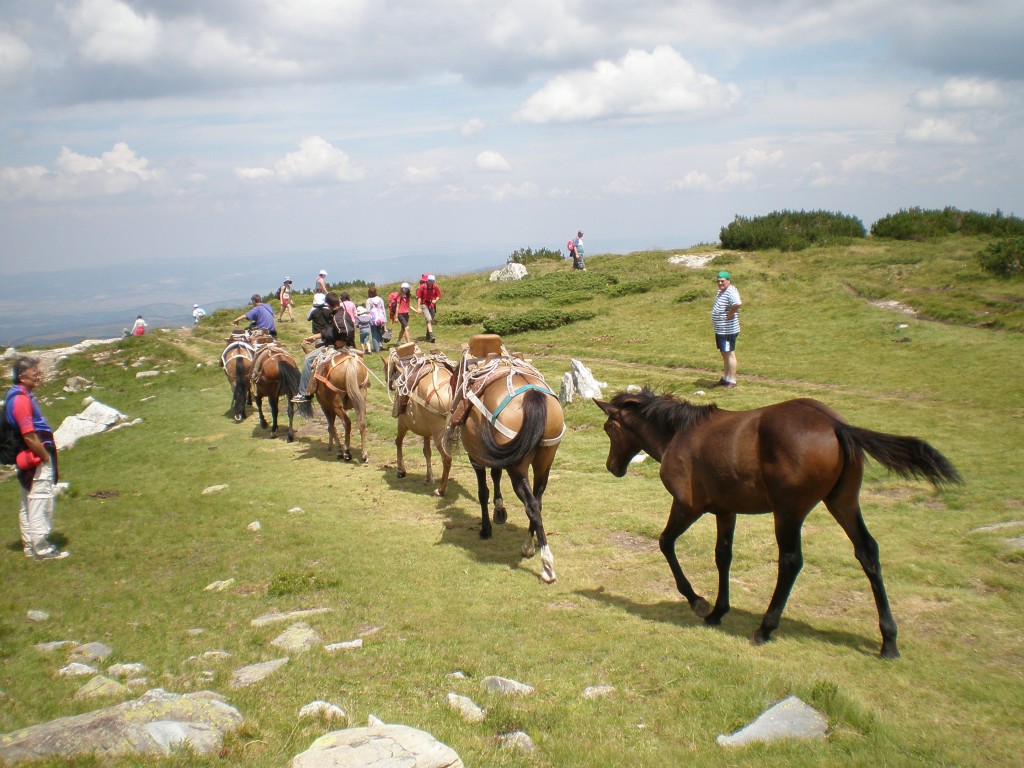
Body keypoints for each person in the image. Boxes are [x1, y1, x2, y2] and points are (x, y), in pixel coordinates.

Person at [5, 357, 69, 560]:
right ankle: (42, 548)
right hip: (34, 454)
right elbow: (29, 434)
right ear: (22, 376)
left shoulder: (15, 395)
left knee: (27, 500)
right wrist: (44, 456)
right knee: (40, 498)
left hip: (26, 454)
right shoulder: (21, 400)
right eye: (35, 372)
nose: (39, 375)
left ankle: (29, 545)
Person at [294, 293, 346, 402]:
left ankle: (302, 392)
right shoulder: (341, 313)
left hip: (332, 344)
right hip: (346, 344)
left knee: (308, 359)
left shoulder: (324, 312)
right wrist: (315, 337)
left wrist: (315, 336)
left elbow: (330, 331)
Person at [711, 270, 742, 388]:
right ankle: (725, 377)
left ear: (728, 281)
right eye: (718, 281)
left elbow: (738, 303)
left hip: (728, 330)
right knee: (724, 353)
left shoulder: (730, 291)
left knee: (729, 354)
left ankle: (732, 380)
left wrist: (730, 314)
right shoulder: (721, 291)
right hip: (721, 329)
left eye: (722, 281)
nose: (720, 283)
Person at [415, 274, 441, 343]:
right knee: (429, 320)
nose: (430, 282)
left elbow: (438, 295)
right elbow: (419, 297)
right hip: (424, 304)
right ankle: (431, 336)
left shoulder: (435, 287)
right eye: (429, 281)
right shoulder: (422, 287)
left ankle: (428, 334)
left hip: (431, 304)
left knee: (431, 320)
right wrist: (418, 307)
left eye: (432, 281)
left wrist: (436, 300)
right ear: (427, 281)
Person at [365, 285, 387, 352]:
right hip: (380, 318)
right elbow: (383, 309)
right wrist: (385, 320)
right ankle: (380, 345)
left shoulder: (369, 300)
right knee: (379, 331)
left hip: (373, 319)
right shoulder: (380, 299)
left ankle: (376, 348)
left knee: (374, 333)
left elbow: (368, 311)